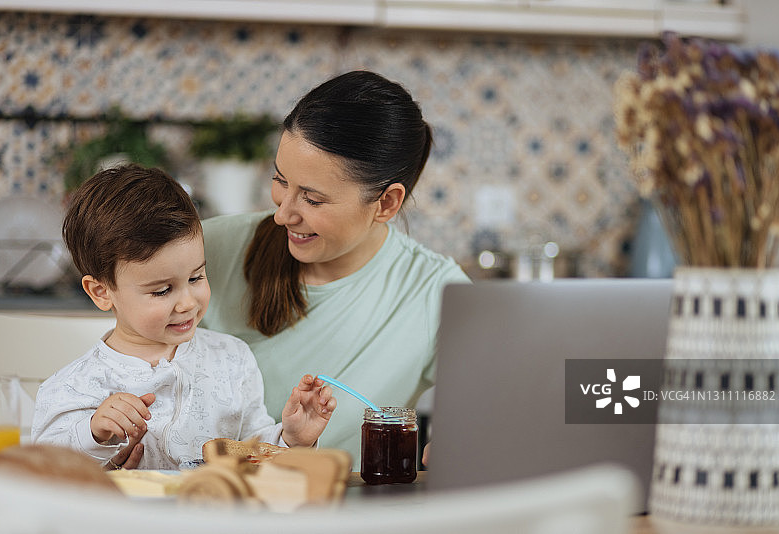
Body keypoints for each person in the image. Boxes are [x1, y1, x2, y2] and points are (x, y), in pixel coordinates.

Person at [201, 70, 470, 465]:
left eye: (311, 199)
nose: (282, 214)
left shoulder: (435, 291)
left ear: (386, 204)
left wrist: (464, 436)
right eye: (280, 181)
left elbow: (509, 396)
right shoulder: (204, 251)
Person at [32, 164, 336, 470]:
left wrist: (293, 440)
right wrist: (93, 432)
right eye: (162, 290)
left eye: (196, 277)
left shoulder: (232, 359)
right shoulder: (77, 383)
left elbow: (253, 449)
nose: (188, 303)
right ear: (101, 292)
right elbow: (43, 467)